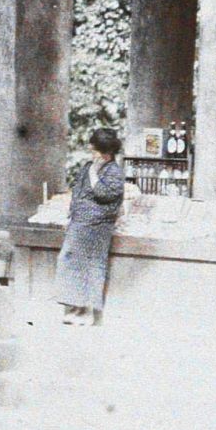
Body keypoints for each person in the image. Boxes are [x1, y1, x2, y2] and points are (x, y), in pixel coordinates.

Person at [54, 128, 124, 326]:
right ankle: (76, 307)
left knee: (91, 265)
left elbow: (103, 194)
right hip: (80, 222)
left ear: (106, 154)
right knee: (70, 261)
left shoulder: (114, 173)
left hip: (98, 225)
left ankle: (89, 312)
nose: (92, 156)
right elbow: (77, 191)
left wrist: (94, 173)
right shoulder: (87, 167)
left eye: (95, 152)